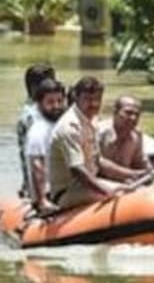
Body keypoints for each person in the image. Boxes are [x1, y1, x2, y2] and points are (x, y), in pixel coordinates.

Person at [46, 76, 140, 209]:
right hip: (67, 192)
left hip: (84, 186)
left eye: (97, 99)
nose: (94, 104)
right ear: (76, 98)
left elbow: (98, 161)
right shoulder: (69, 127)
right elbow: (77, 169)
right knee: (123, 196)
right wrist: (104, 190)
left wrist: (133, 174)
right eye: (88, 99)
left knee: (131, 189)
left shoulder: (92, 121)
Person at [23, 77, 67, 212]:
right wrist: (42, 201)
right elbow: (37, 166)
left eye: (60, 101)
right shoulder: (38, 131)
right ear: (39, 104)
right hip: (50, 193)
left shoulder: (61, 125)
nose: (56, 106)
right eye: (50, 102)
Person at [16, 63, 56, 196]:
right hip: (41, 186)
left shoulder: (40, 111)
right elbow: (36, 159)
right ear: (34, 88)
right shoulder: (32, 116)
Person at [98, 95, 151, 174]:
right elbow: (98, 163)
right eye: (128, 113)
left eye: (137, 114)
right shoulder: (99, 132)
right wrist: (130, 174)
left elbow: (140, 163)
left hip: (126, 181)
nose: (133, 118)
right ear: (115, 112)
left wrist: (153, 171)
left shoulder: (136, 135)